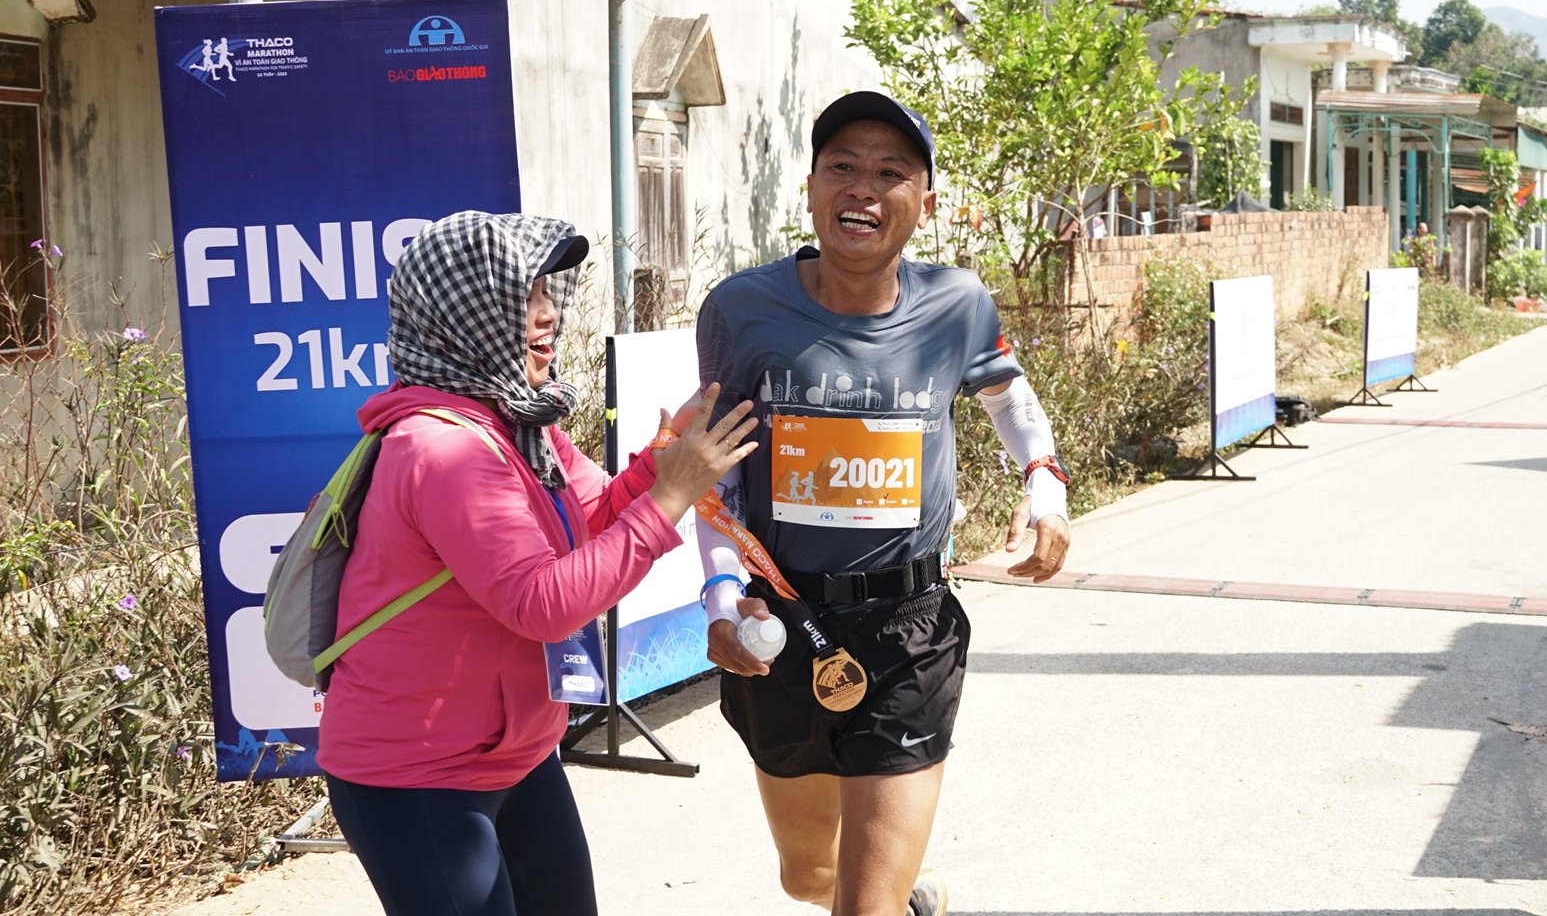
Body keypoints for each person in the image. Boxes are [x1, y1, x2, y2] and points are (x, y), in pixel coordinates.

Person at [687, 91, 1072, 916]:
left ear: (923, 203)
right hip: (780, 623)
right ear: (813, 186)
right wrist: (722, 599)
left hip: (910, 629)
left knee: (861, 905)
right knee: (809, 879)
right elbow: (714, 477)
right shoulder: (740, 310)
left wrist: (1046, 493)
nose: (862, 189)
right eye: (843, 169)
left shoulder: (956, 304)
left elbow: (1009, 401)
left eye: (890, 173)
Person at [316, 210, 758, 916]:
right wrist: (672, 496)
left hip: (515, 756)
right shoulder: (442, 448)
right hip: (416, 776)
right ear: (460, 314)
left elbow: (592, 521)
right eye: (522, 299)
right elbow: (543, 603)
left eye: (547, 293)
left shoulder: (517, 423)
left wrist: (660, 462)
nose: (548, 316)